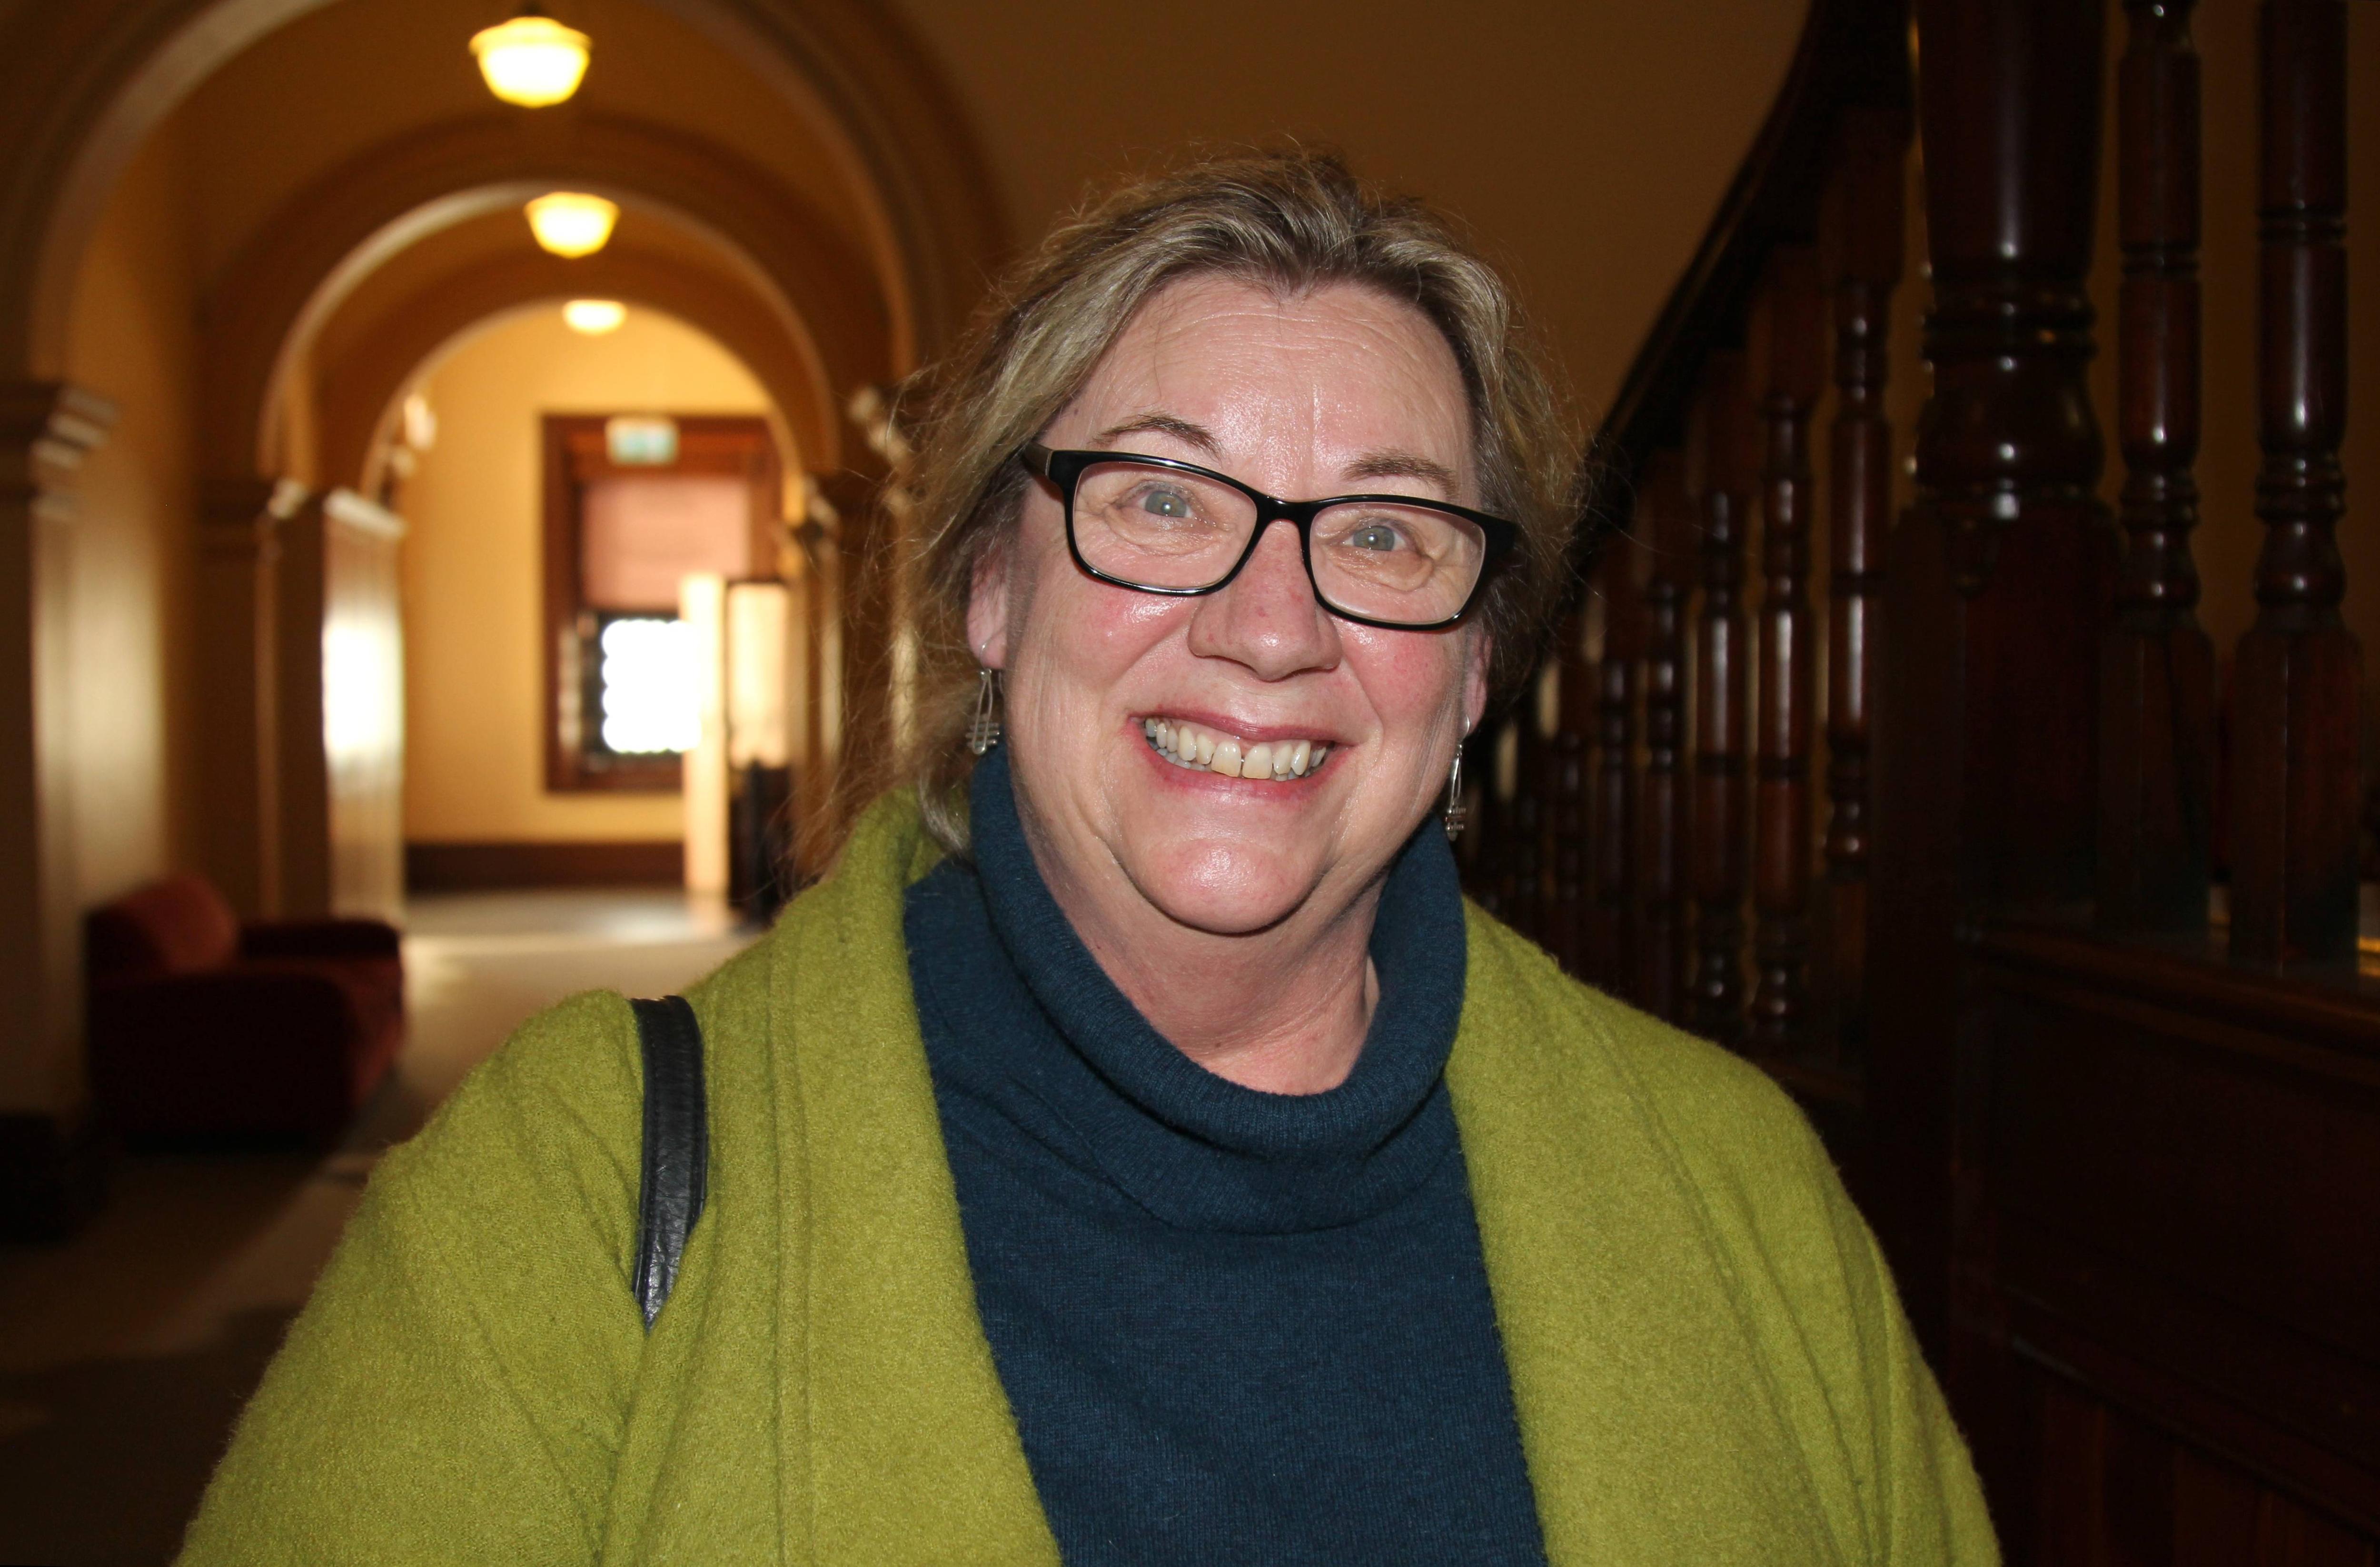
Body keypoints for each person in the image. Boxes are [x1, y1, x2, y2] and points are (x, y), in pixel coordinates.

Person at [179, 151, 1996, 1566]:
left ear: (1474, 670)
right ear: (990, 583)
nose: (1271, 625)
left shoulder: (1738, 1188)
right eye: (1159, 499)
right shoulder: (570, 1197)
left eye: (1383, 532)